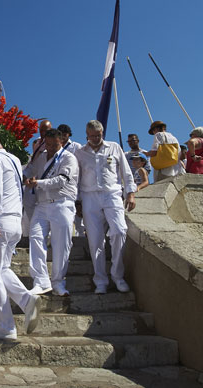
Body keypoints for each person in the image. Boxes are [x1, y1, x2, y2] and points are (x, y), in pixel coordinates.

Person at [0, 135, 39, 340]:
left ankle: (6, 326)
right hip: (14, 222)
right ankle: (27, 300)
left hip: (0, 220)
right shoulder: (14, 160)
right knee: (2, 268)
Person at [74, 120, 136, 294]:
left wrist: (130, 193)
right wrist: (77, 202)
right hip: (89, 197)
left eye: (98, 135)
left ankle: (117, 275)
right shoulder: (80, 153)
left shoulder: (114, 147)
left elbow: (126, 171)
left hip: (112, 194)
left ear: (103, 133)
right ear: (86, 135)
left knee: (119, 231)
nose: (95, 138)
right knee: (95, 240)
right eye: (92, 136)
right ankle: (100, 280)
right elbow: (76, 180)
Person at [23, 128, 79, 297]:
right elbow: (28, 170)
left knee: (61, 244)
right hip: (42, 204)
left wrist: (37, 183)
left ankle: (58, 282)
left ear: (61, 141)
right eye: (48, 144)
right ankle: (41, 281)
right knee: (36, 237)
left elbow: (61, 180)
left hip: (62, 204)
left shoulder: (69, 158)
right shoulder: (40, 158)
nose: (52, 147)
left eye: (55, 144)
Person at [22, 119, 51, 236]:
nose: (43, 132)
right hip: (32, 179)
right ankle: (32, 234)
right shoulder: (37, 142)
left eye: (46, 130)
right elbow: (34, 162)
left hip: (45, 180)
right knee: (28, 205)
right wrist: (25, 177)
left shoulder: (53, 142)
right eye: (41, 130)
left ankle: (44, 234)